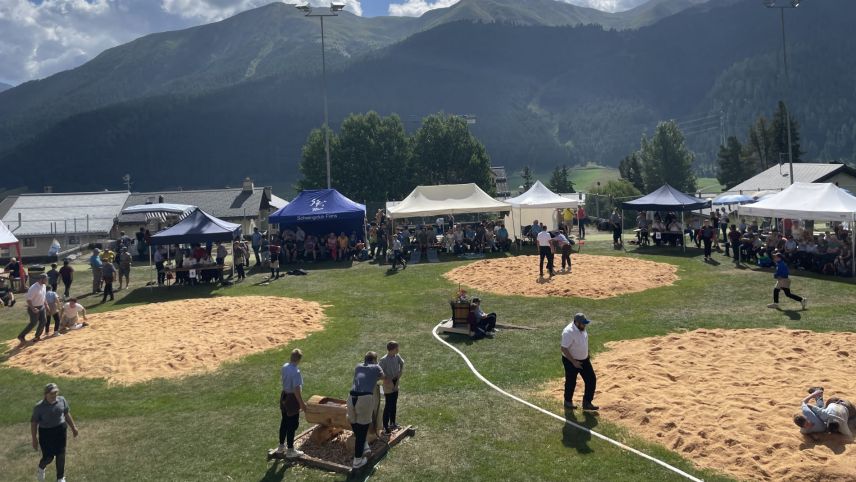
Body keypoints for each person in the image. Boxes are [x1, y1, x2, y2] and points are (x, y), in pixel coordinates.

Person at [31, 383, 79, 482]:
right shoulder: (39, 407)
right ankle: (41, 468)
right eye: (52, 393)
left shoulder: (62, 400)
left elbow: (66, 413)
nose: (54, 395)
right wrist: (34, 438)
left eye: (56, 393)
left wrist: (73, 427)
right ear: (46, 394)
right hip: (46, 433)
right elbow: (34, 422)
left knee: (61, 454)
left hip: (60, 430)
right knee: (49, 457)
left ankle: (60, 477)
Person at [347, 352, 385, 469]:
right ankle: (357, 461)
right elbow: (383, 377)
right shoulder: (376, 367)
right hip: (364, 399)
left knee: (354, 424)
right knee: (362, 430)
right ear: (374, 360)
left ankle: (364, 445)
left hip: (351, 398)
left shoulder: (358, 366)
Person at [561, 313, 598, 411]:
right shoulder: (568, 332)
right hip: (570, 361)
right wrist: (574, 362)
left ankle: (587, 402)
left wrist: (587, 353)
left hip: (584, 359)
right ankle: (568, 401)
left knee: (591, 379)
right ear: (577, 323)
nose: (585, 325)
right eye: (583, 324)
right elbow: (564, 348)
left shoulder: (582, 328)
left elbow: (584, 341)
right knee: (571, 381)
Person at [277, 349, 307, 458]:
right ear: (299, 359)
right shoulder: (296, 372)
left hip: (284, 396)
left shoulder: (285, 366)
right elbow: (296, 390)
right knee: (292, 425)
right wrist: (302, 404)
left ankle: (281, 447)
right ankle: (290, 450)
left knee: (284, 422)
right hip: (292, 399)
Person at [379, 341, 405, 435]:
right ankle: (385, 427)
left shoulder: (397, 356)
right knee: (388, 406)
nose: (398, 350)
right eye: (396, 348)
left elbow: (402, 363)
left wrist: (400, 373)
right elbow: (379, 373)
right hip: (388, 385)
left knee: (394, 404)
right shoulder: (383, 360)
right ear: (392, 350)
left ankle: (393, 423)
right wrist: (387, 379)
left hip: (395, 383)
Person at [18, 274, 48, 344]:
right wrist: (33, 308)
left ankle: (37, 336)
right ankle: (21, 336)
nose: (47, 280)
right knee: (33, 323)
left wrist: (46, 305)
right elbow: (28, 300)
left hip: (42, 307)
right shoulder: (33, 288)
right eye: (46, 279)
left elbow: (44, 296)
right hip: (34, 307)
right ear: (41, 279)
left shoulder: (44, 286)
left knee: (43, 321)